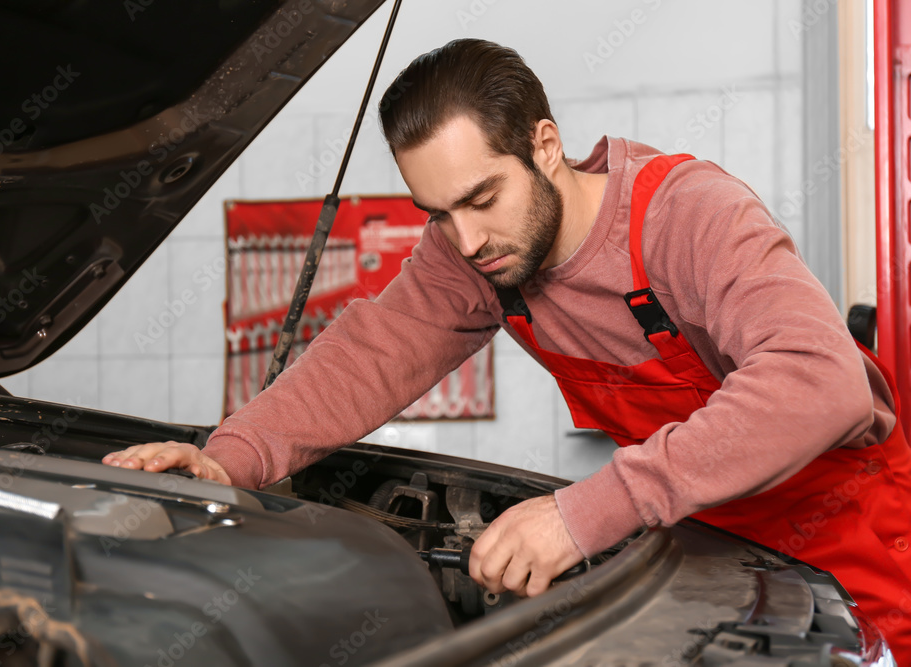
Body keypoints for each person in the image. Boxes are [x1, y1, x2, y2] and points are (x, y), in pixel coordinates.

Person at [103, 39, 911, 658]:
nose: (466, 238)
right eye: (437, 211)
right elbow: (370, 353)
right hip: (711, 549)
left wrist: (586, 511)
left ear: (546, 145)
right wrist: (230, 457)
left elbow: (819, 380)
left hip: (859, 546)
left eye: (483, 198)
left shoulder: (686, 217)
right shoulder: (471, 253)